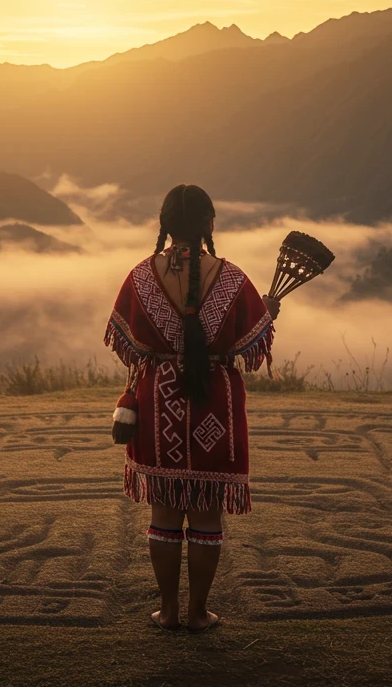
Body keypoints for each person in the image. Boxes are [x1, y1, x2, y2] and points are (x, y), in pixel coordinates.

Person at [103, 184, 279, 633]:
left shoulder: (142, 277)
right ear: (210, 224)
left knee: (163, 514)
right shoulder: (234, 278)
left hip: (156, 405)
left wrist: (167, 355)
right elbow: (252, 342)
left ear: (164, 224)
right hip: (216, 405)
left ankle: (168, 612)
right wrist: (268, 313)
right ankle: (199, 613)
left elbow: (127, 344)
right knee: (206, 516)